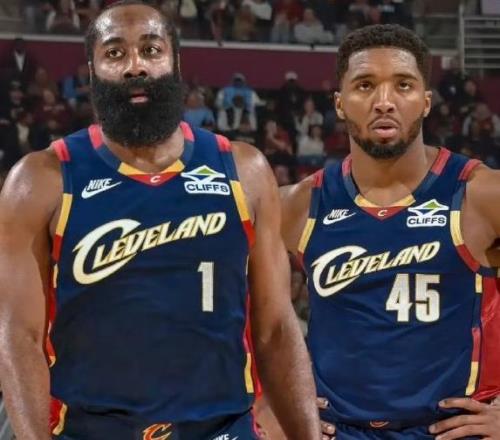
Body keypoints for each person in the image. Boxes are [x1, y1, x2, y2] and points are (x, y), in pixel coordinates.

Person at [0, 1, 321, 439]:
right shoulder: (40, 180)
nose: (135, 66)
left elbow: (277, 329)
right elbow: (18, 337)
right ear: (92, 71)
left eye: (151, 50)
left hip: (221, 428)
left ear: (176, 62)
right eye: (115, 53)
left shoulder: (243, 171)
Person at [280, 24, 500, 439]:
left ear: (426, 102)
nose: (384, 102)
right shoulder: (298, 205)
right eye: (365, 85)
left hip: (452, 430)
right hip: (340, 431)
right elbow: (244, 316)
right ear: (340, 103)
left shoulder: (481, 193)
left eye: (403, 85)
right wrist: (275, 400)